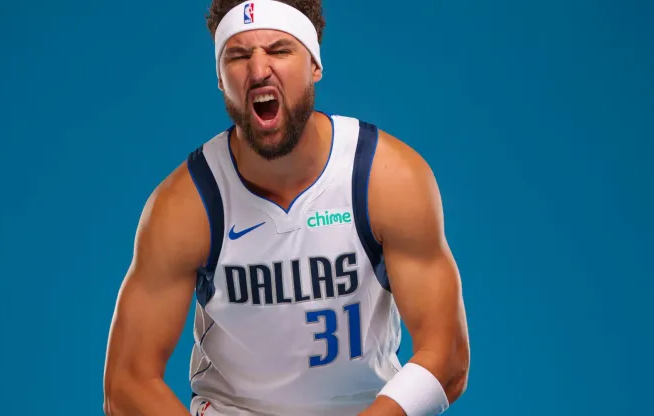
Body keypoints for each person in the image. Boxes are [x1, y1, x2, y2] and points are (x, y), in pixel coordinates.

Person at [102, 0, 470, 415]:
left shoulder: (385, 178)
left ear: (314, 64)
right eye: (238, 55)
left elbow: (448, 355)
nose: (259, 70)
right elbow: (127, 382)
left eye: (279, 50)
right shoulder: (187, 204)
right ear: (221, 80)